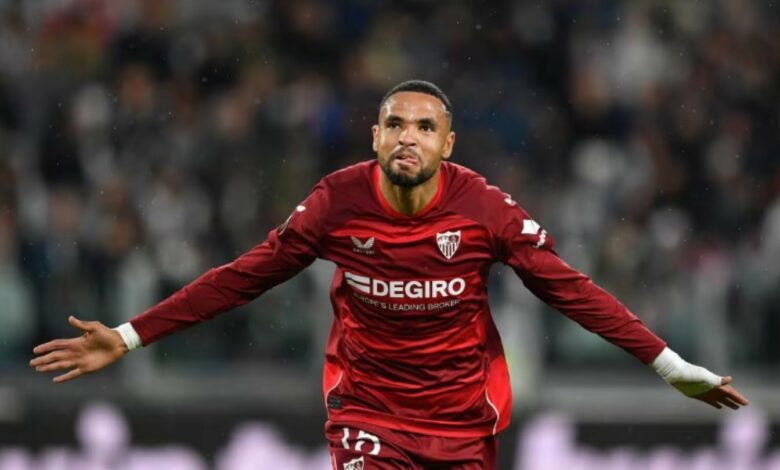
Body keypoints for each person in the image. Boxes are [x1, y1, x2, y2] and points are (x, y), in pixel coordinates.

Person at [31, 80, 749, 469]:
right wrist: (129, 335)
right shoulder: (335, 203)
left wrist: (669, 365)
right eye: (396, 124)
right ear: (375, 137)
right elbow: (242, 277)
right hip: (368, 415)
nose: (409, 136)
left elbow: (573, 292)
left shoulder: (484, 211)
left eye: (425, 127)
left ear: (448, 145)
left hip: (463, 425)